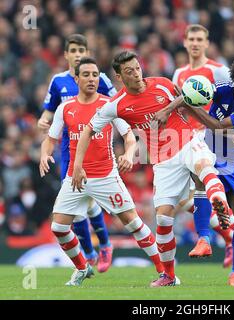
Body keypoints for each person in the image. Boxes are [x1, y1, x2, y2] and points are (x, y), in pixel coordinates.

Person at [72, 51, 231, 287]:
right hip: (162, 161)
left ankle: (219, 199)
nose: (136, 74)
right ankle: (169, 275)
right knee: (163, 219)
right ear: (119, 76)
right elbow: (87, 130)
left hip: (187, 140)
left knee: (203, 165)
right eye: (129, 71)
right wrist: (77, 165)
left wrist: (168, 109)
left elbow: (186, 96)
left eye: (137, 68)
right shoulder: (116, 105)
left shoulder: (163, 84)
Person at [40, 57, 164, 286]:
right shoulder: (65, 108)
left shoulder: (109, 105)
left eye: (95, 75)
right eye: (86, 74)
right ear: (76, 79)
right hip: (74, 178)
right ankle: (82, 267)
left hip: (106, 176)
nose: (92, 79)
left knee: (134, 223)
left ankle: (165, 271)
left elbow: (129, 137)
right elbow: (50, 139)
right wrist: (45, 154)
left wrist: (128, 154)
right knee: (58, 227)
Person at [155, 55, 234, 286]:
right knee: (201, 178)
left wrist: (189, 105)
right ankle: (204, 239)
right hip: (209, 148)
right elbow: (188, 95)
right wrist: (167, 110)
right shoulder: (222, 88)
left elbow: (217, 125)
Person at [172, 24, 234, 273]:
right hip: (187, 140)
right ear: (185, 42)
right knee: (185, 199)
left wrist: (230, 132)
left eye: (200, 38)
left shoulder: (219, 71)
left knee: (196, 195)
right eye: (191, 39)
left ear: (207, 42)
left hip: (214, 142)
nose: (195, 43)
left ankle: (230, 244)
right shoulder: (179, 73)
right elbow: (179, 101)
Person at [37, 34, 117, 272]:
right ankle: (92, 251)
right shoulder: (58, 81)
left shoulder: (98, 78)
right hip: (69, 148)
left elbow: (116, 105)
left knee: (90, 201)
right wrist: (43, 119)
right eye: (73, 50)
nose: (77, 54)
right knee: (78, 203)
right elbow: (49, 111)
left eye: (81, 49)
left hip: (98, 145)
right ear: (66, 54)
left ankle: (102, 245)